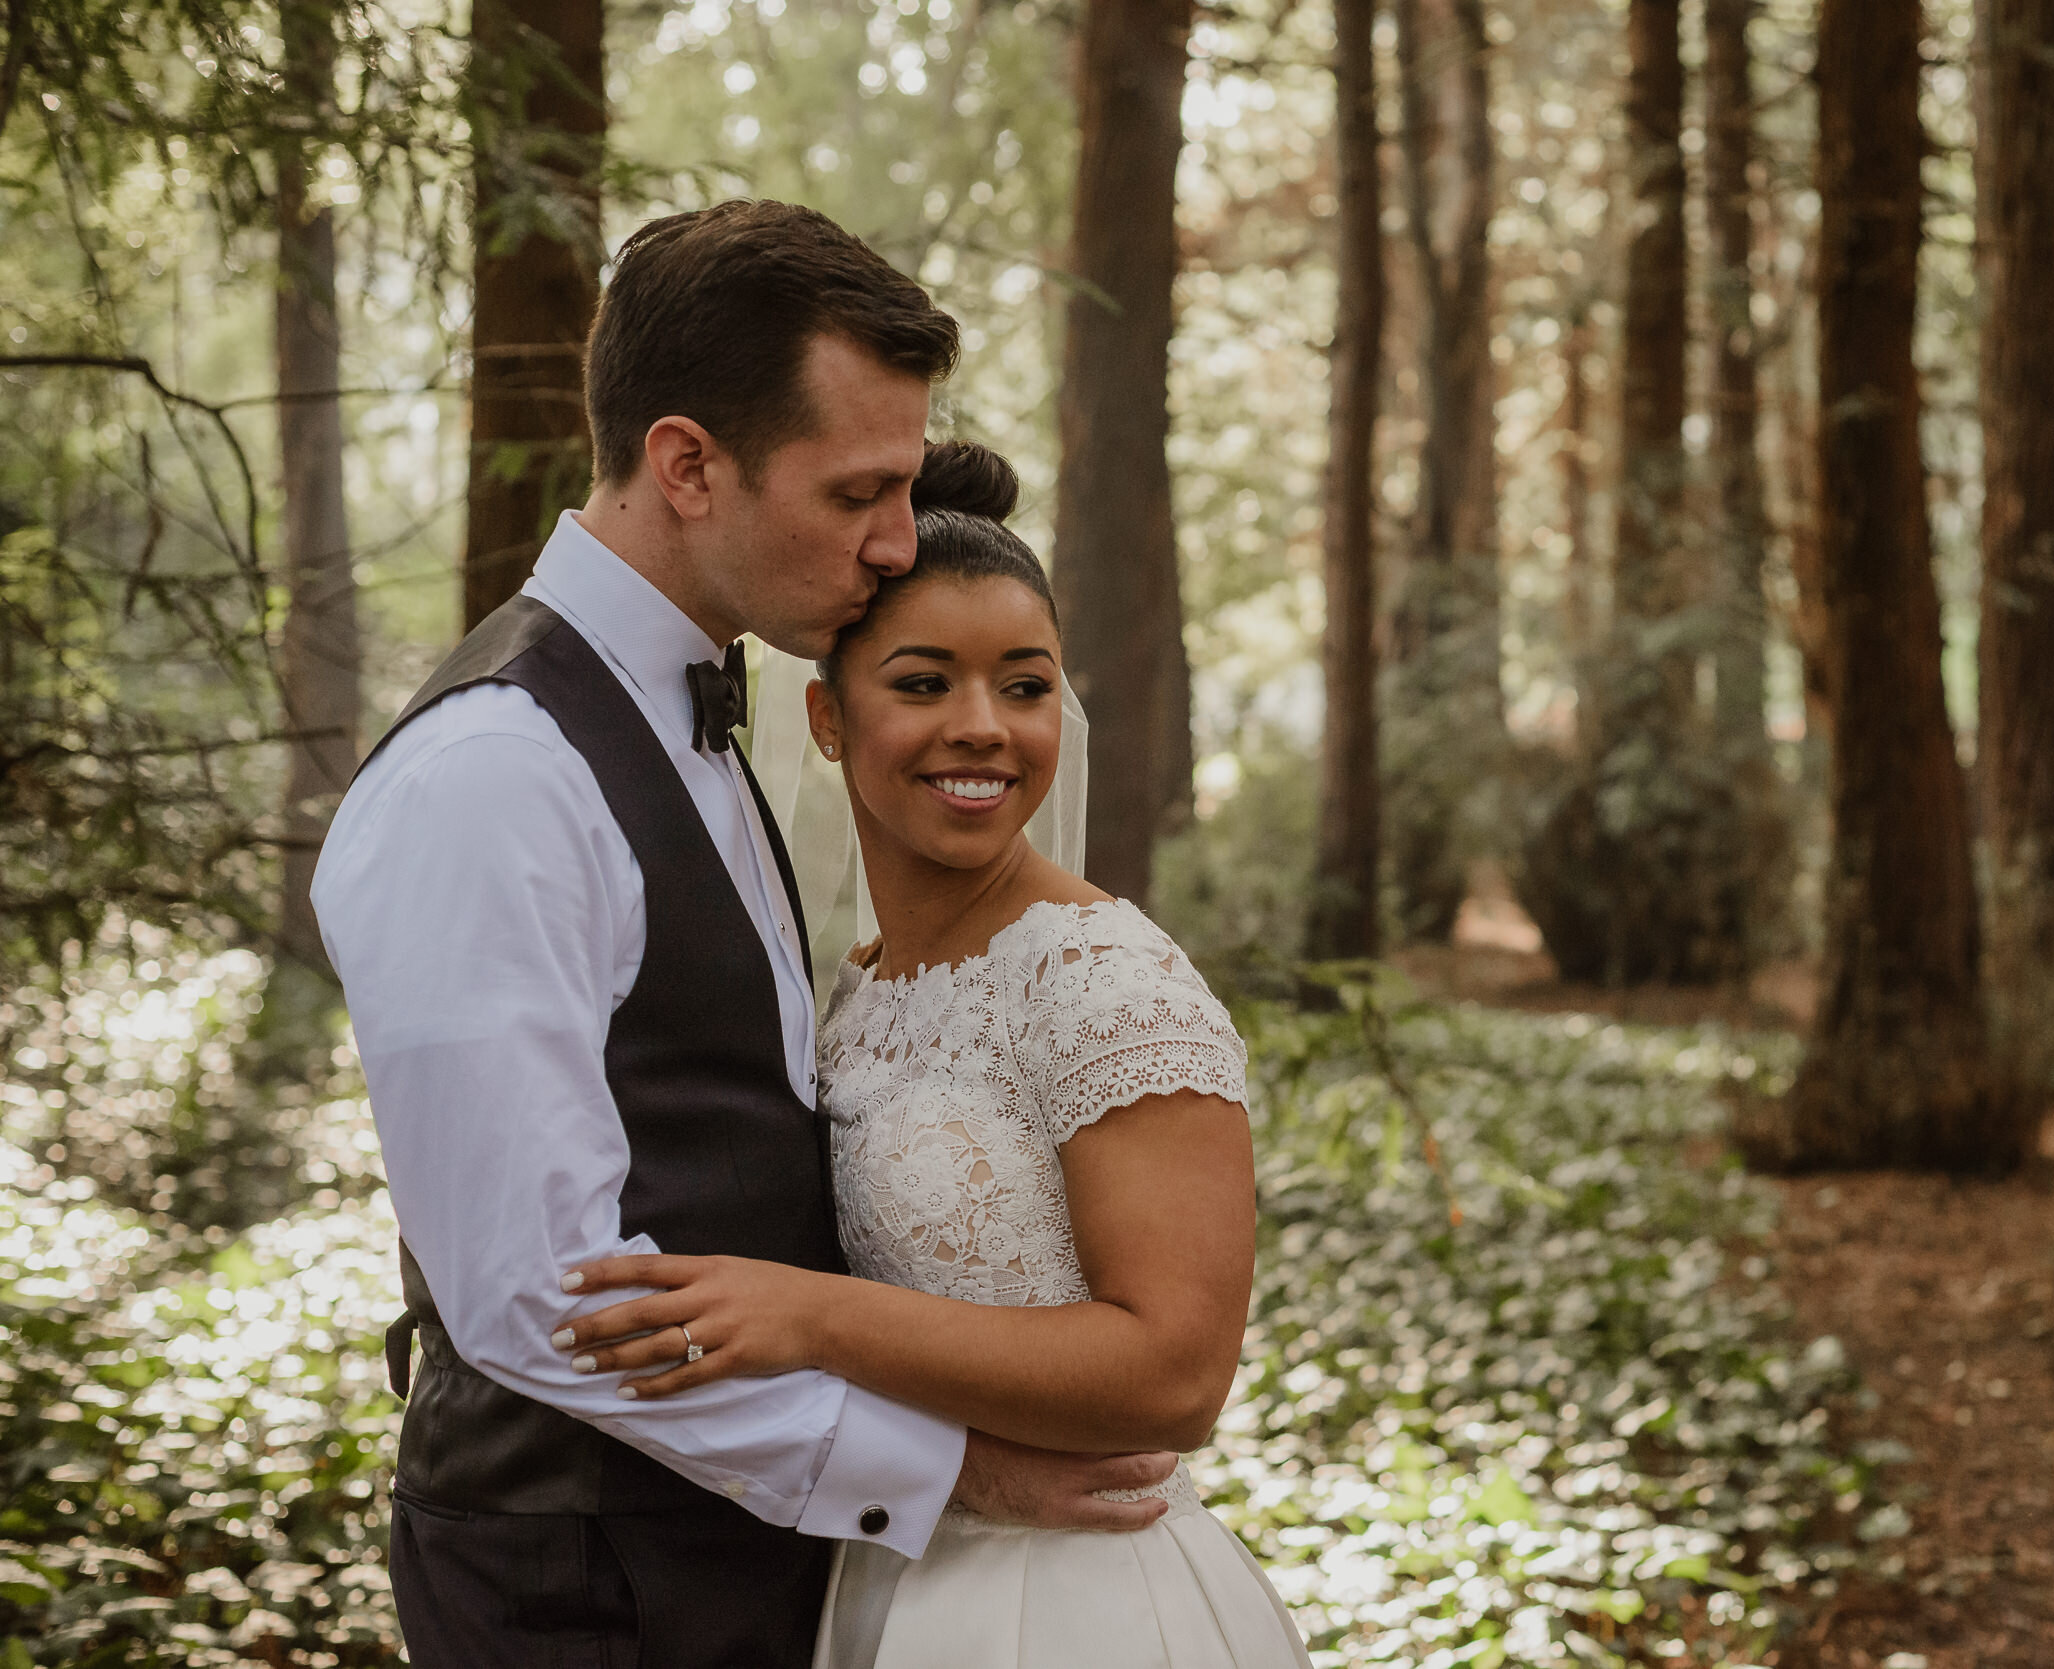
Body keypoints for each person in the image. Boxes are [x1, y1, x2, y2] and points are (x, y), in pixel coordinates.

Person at [313, 201, 1176, 1669]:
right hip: (582, 1580)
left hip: (736, 1555)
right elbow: (545, 1298)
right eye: (859, 494)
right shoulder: (494, 777)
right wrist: (958, 1473)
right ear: (688, 465)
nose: (900, 539)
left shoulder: (704, 707)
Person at [551, 441, 1312, 1668]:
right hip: (890, 1573)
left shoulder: (1104, 980)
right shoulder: (856, 985)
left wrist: (809, 1315)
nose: (982, 729)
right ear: (828, 717)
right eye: (923, 682)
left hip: (1077, 1605)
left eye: (1023, 686)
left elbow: (1177, 1374)